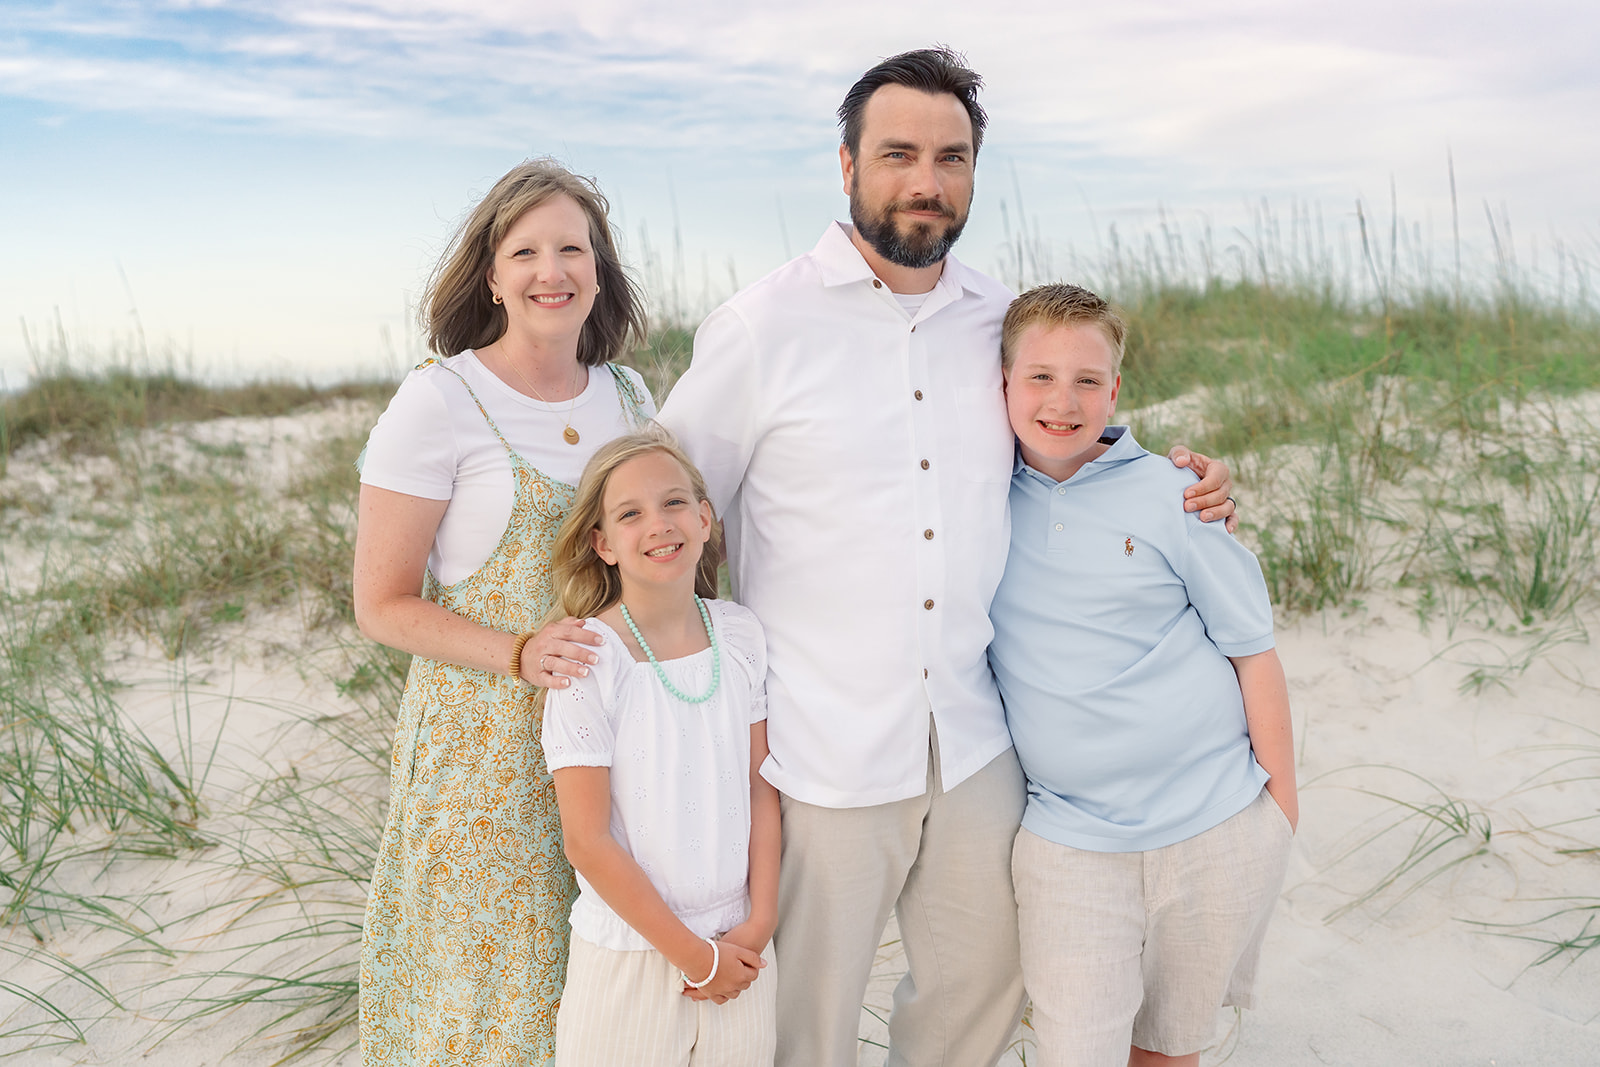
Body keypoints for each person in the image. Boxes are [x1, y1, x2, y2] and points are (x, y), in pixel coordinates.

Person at [651, 48, 1238, 1067]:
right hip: (821, 741)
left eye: (952, 157)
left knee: (981, 984)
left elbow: (1076, 434)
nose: (927, 180)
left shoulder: (1000, 322)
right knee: (809, 1018)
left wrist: (1189, 477)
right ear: (846, 166)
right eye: (899, 154)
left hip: (973, 733)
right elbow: (666, 510)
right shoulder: (760, 328)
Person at [352, 158, 655, 1065]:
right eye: (525, 250)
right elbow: (381, 603)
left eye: (572, 247)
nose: (550, 270)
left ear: (598, 267)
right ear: (491, 274)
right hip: (486, 752)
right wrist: (517, 651)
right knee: (490, 996)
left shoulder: (632, 399)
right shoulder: (440, 399)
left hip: (620, 737)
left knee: (604, 992)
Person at [988, 284, 1295, 1067]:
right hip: (1069, 838)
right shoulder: (975, 499)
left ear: (1115, 389)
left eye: (1088, 380)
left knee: (1168, 1048)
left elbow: (1251, 648)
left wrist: (1280, 812)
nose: (1064, 400)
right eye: (1041, 377)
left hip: (1215, 822)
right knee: (1076, 1047)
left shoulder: (1175, 492)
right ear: (1002, 382)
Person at [542, 427, 781, 1065]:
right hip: (629, 951)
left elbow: (762, 787)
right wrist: (693, 957)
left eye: (675, 503)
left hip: (740, 943)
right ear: (603, 544)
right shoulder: (589, 660)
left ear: (706, 518)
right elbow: (586, 841)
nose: (659, 524)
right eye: (630, 513)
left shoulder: (739, 633)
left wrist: (760, 922)